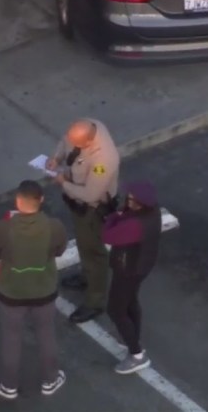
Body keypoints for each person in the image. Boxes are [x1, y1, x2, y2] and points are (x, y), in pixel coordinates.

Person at [0, 180, 68, 400]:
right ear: (40, 200)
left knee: (11, 339)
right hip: (44, 291)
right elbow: (59, 251)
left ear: (17, 201)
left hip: (12, 293)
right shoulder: (54, 226)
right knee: (46, 334)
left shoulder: (3, 228)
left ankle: (8, 385)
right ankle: (50, 380)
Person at [47, 118, 120, 323]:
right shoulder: (87, 127)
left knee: (94, 251)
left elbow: (90, 194)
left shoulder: (104, 160)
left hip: (91, 209)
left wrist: (63, 184)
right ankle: (87, 276)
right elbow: (65, 141)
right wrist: (57, 157)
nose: (72, 144)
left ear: (88, 142)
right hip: (79, 202)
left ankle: (95, 301)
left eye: (77, 143)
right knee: (84, 244)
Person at [102, 181, 161, 374]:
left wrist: (112, 217)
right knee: (130, 301)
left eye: (131, 199)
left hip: (128, 269)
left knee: (115, 309)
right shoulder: (152, 214)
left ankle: (136, 354)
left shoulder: (134, 225)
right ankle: (132, 337)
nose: (127, 200)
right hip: (141, 266)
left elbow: (108, 236)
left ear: (140, 204)